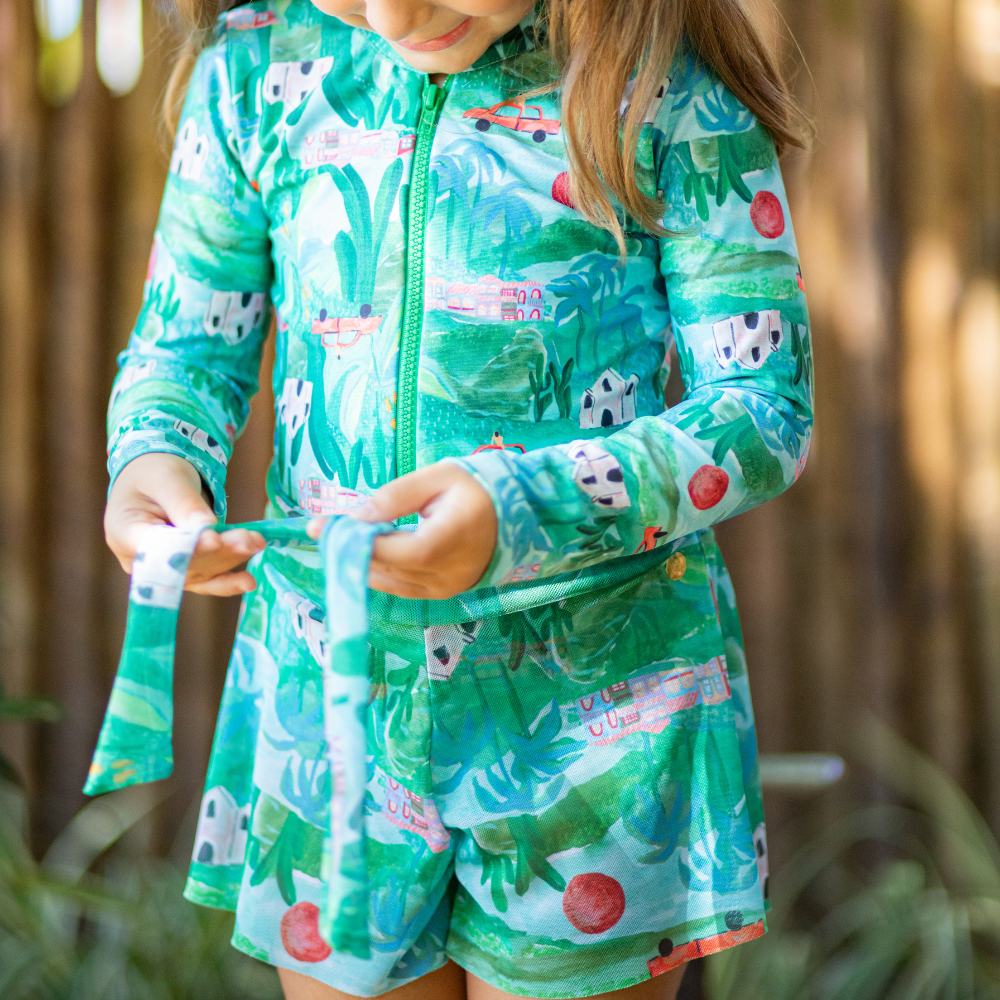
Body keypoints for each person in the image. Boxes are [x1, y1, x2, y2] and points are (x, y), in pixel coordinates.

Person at [102, 0, 813, 996]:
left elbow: (762, 406)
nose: (393, 15)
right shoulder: (256, 71)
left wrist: (523, 510)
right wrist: (154, 457)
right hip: (330, 708)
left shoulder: (663, 82)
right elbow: (184, 351)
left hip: (598, 722)